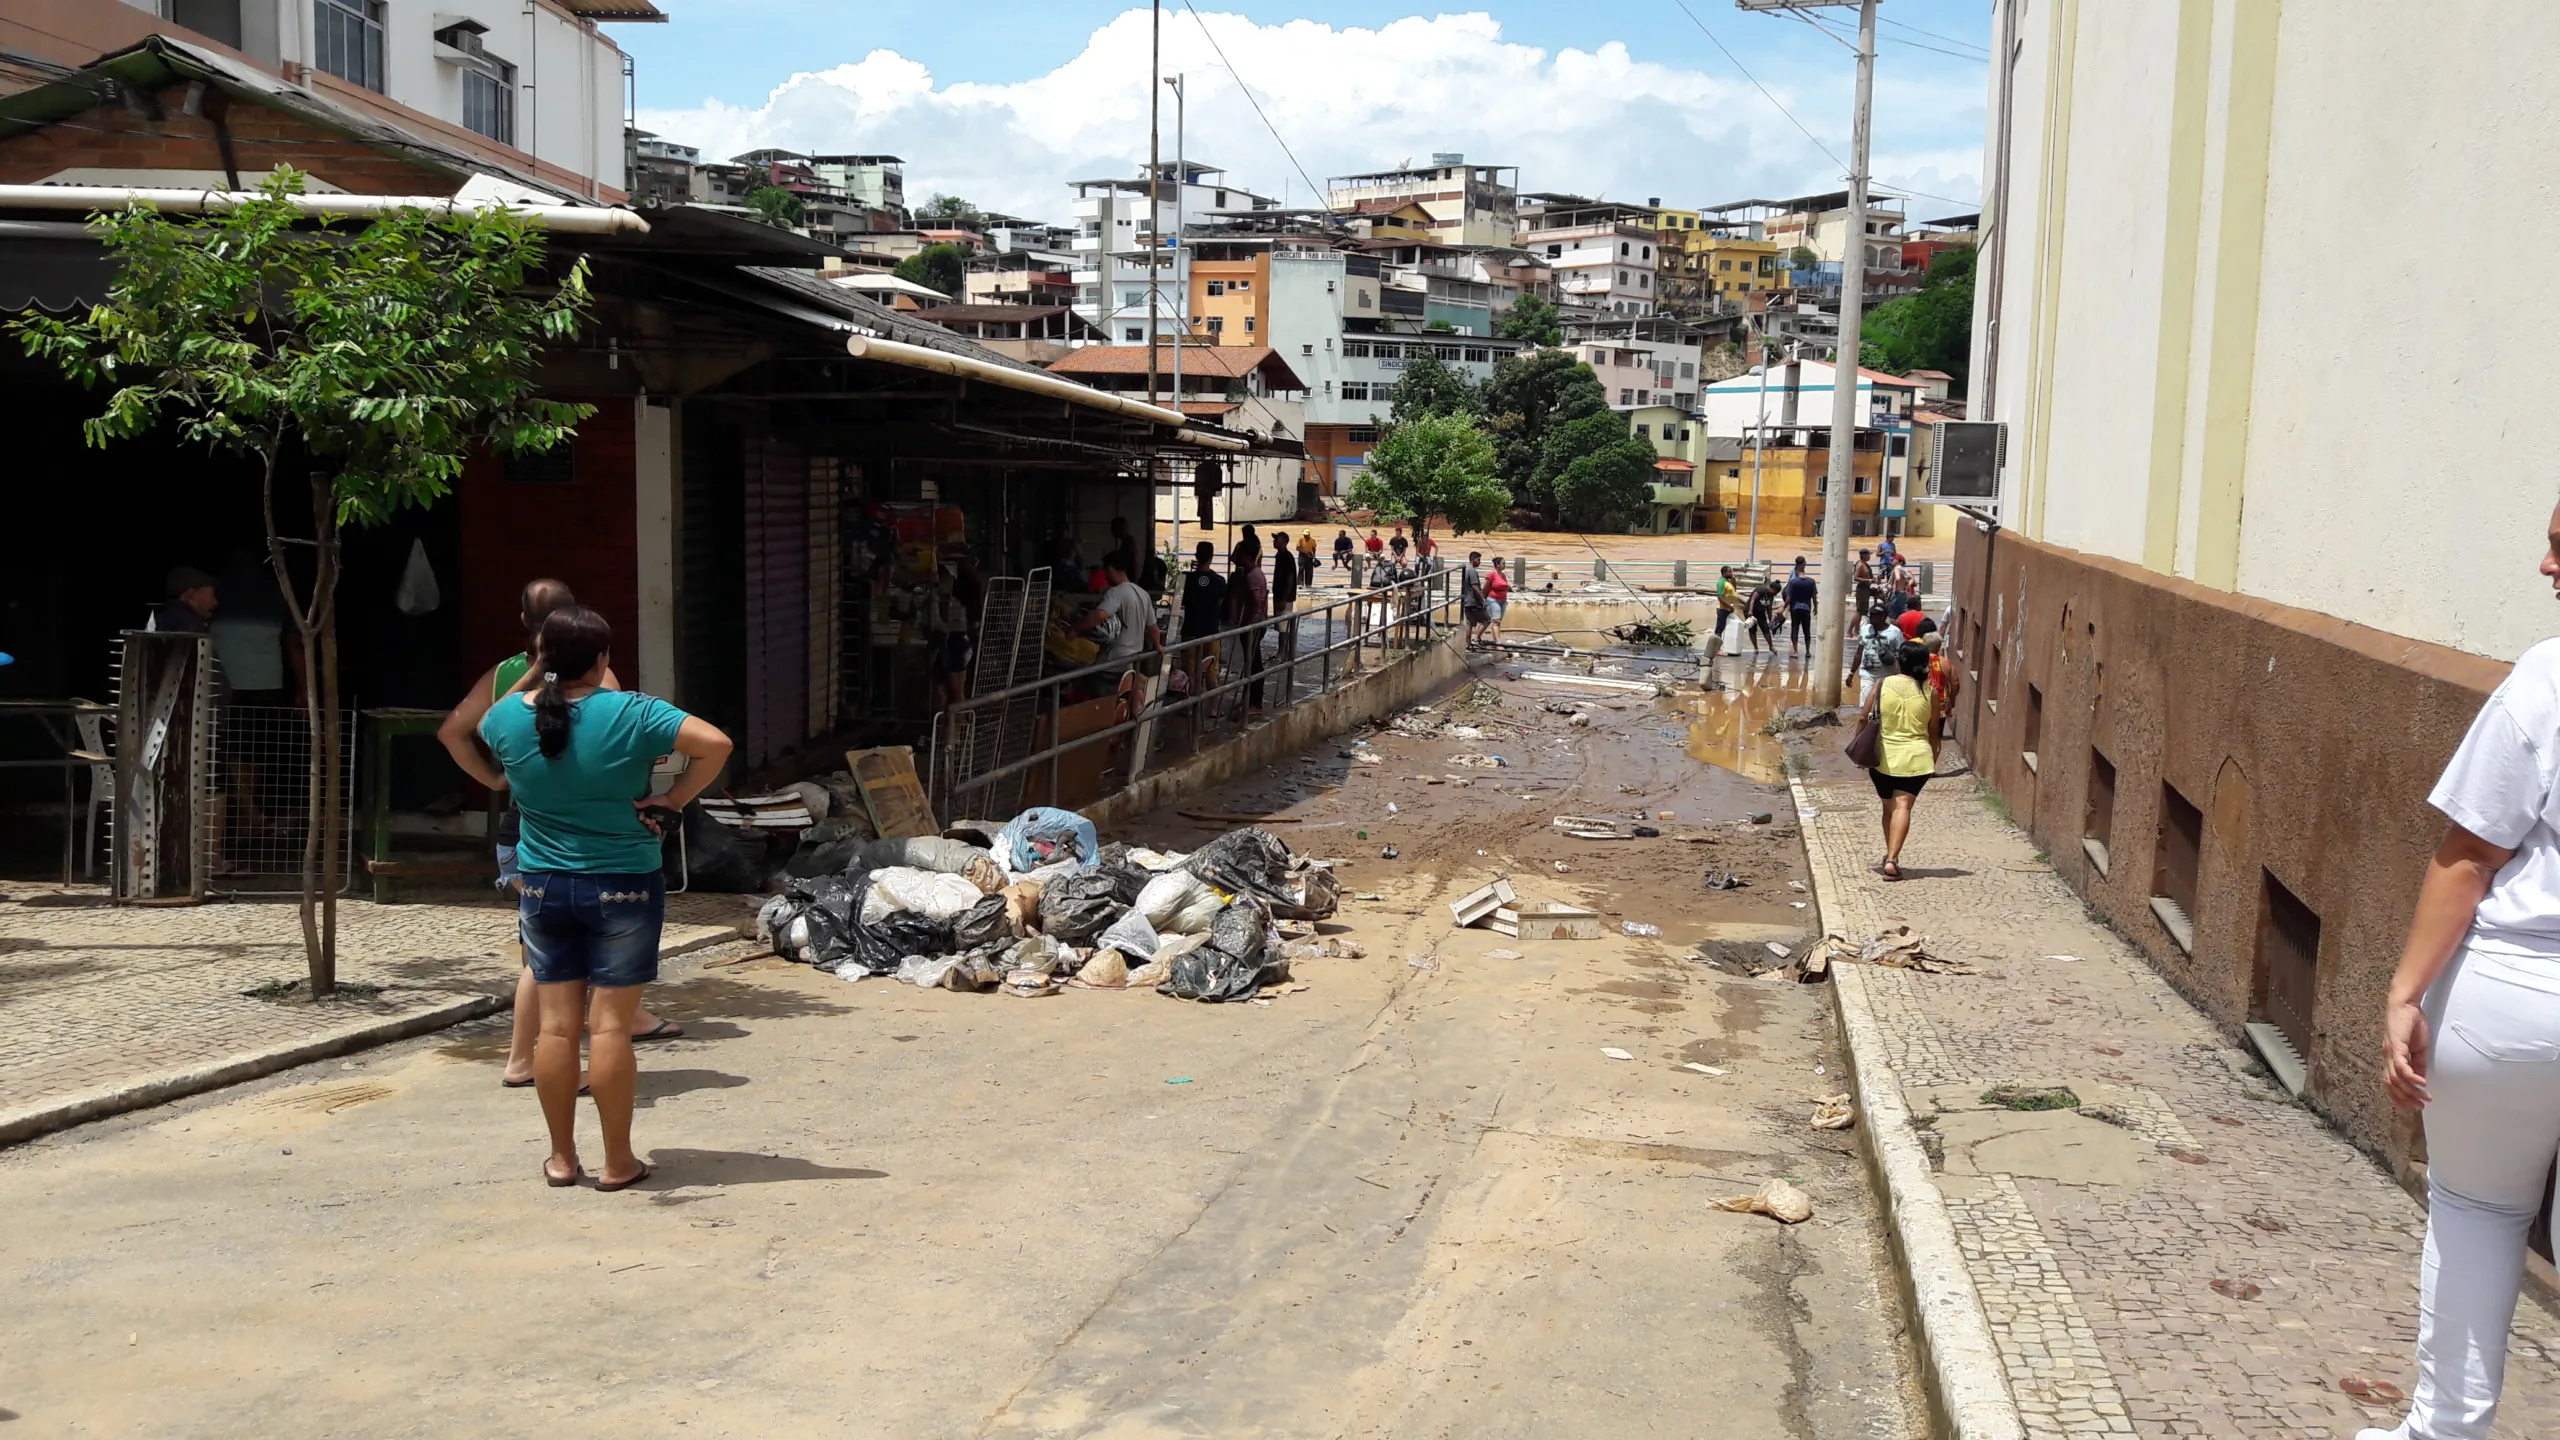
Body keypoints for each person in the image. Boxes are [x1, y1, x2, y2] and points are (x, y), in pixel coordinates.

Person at [2368, 505, 2560, 1440]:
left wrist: (2404, 993)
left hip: (2521, 996)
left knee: (2478, 1208)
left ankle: (2446, 1431)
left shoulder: (2548, 678)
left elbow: (2469, 855)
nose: (2544, 564)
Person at [477, 606, 732, 1190]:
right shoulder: (633, 712)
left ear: (540, 657)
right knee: (611, 1027)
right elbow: (716, 743)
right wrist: (674, 800)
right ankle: (619, 1162)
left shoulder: (502, 720)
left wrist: (536, 673)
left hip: (542, 885)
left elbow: (497, 728)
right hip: (624, 883)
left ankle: (562, 1159)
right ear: (602, 659)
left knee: (557, 1031)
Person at [437, 579, 680, 1090]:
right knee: (581, 970)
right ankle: (590, 1054)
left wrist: (495, 781)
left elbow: (468, 728)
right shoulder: (601, 679)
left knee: (542, 963)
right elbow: (616, 744)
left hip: (524, 835)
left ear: (525, 624)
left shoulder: (504, 677)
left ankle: (523, 1063)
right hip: (591, 845)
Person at [1865, 640, 1939, 882]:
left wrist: (1858, 747)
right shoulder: (1930, 692)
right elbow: (1934, 733)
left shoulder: (1881, 684)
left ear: (1899, 661)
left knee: (1889, 808)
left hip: (1882, 756)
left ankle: (1890, 856)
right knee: (1903, 806)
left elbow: (1863, 718)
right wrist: (1933, 757)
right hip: (1917, 759)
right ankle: (1892, 858)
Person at [1178, 540, 1227, 703]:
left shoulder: (1186, 579)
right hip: (1211, 632)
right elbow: (1224, 608)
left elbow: (1180, 604)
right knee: (1211, 673)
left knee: (1190, 674)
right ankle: (1213, 709)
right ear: (1211, 557)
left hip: (1190, 631)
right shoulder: (1219, 581)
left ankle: (1191, 709)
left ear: (1196, 556)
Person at [1225, 536, 1270, 714]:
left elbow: (1255, 601)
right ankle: (1249, 700)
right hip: (1255, 624)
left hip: (1253, 626)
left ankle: (1255, 703)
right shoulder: (1253, 573)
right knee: (1251, 662)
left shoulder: (1252, 576)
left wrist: (1246, 623)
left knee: (1254, 664)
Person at [1268, 532, 1300, 703]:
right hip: (1280, 595)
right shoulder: (1279, 556)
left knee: (1284, 625)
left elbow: (1289, 579)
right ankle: (1283, 651)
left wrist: (1284, 597)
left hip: (1284, 597)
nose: (1274, 541)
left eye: (1277, 539)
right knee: (1281, 625)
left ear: (1284, 541)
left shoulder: (1286, 557)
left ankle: (1284, 652)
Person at [149, 565, 219, 635]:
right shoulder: (191, 626)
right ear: (190, 596)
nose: (215, 602)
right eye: (211, 596)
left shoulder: (160, 617)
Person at [1856, 609, 1898, 706]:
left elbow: (1900, 654)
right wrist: (1851, 673)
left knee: (1884, 704)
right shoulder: (1865, 629)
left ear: (1883, 617)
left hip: (1888, 674)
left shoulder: (1895, 632)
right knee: (1865, 702)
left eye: (1874, 615)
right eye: (1871, 615)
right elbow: (1859, 652)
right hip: (1867, 673)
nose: (1871, 618)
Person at [1784, 557, 1818, 657]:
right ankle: (1808, 651)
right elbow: (1814, 597)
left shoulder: (1793, 582)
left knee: (1795, 629)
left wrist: (1784, 607)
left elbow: (1789, 597)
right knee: (1806, 630)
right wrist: (1816, 607)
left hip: (1795, 609)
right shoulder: (1811, 582)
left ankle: (1795, 652)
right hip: (1806, 609)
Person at [1460, 551, 1490, 647]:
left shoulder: (1465, 570)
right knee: (1487, 620)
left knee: (1470, 624)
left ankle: (1467, 644)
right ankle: (1477, 639)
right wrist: (1482, 600)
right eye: (1478, 560)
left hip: (1466, 601)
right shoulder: (1472, 571)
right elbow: (1475, 587)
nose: (1479, 562)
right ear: (1473, 560)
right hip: (1473, 602)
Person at [1483, 556, 1510, 645]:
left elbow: (1505, 586)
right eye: (1503, 563)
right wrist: (1483, 600)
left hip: (1502, 600)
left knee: (1498, 622)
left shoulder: (1503, 575)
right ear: (1497, 565)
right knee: (1496, 621)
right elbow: (1485, 588)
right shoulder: (1491, 574)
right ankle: (1498, 643)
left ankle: (1495, 640)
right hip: (1493, 599)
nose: (1504, 565)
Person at [1714, 565, 1742, 650]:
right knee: (1720, 629)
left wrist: (1733, 581)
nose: (1731, 573)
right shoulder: (1721, 582)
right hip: (1723, 609)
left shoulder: (1728, 581)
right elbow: (1720, 596)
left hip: (1729, 609)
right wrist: (1729, 606)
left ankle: (1724, 647)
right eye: (1730, 571)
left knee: (1728, 629)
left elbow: (1734, 591)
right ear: (1724, 573)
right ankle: (1716, 648)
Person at [1852, 548, 1878, 621]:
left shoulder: (1865, 564)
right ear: (1863, 555)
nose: (1869, 556)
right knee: (1860, 611)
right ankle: (1854, 628)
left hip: (1867, 589)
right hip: (1862, 590)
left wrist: (1873, 580)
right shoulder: (1860, 565)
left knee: (1865, 610)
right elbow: (1856, 577)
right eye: (1868, 555)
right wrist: (1869, 580)